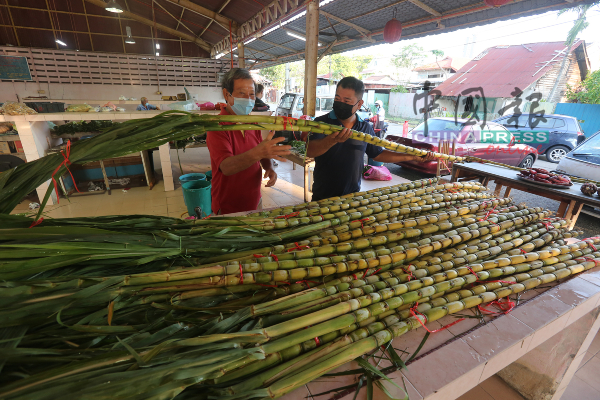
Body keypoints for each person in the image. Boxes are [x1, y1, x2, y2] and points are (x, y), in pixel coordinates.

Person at [307, 77, 436, 201]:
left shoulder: (365, 127)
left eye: (346, 101)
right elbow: (309, 151)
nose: (341, 103)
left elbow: (378, 154)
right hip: (322, 195)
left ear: (359, 104)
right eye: (337, 98)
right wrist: (331, 141)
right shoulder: (321, 123)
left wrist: (411, 156)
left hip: (352, 196)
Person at [207, 68, 291, 214]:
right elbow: (226, 167)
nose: (248, 98)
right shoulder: (217, 127)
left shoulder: (252, 123)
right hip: (228, 206)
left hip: (254, 200)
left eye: (252, 94)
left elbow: (261, 151)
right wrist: (258, 153)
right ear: (227, 94)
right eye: (241, 93)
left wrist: (269, 167)